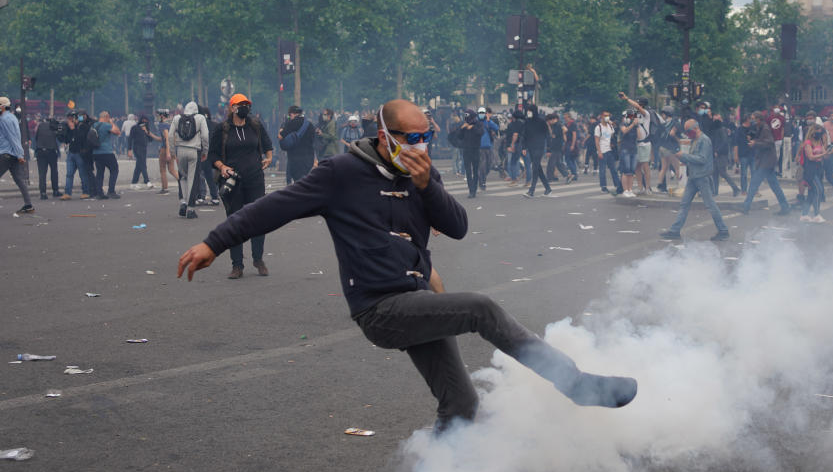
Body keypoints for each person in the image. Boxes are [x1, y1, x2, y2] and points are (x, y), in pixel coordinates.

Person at [176, 99, 637, 436]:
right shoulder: (339, 173)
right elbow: (273, 207)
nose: (419, 146)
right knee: (482, 309)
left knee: (460, 403)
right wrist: (214, 243)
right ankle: (576, 386)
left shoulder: (422, 175)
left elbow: (456, 226)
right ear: (384, 136)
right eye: (410, 138)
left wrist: (426, 185)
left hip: (417, 300)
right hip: (379, 308)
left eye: (426, 138)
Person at [208, 94, 273, 277]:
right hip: (233, 181)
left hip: (255, 179)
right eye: (240, 105)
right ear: (232, 108)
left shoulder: (256, 126)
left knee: (258, 220)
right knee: (235, 221)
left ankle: (258, 259)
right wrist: (222, 167)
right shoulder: (222, 129)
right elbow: (212, 155)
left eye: (246, 104)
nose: (244, 107)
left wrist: (268, 159)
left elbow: (268, 145)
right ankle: (237, 265)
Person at [660, 118, 729, 241]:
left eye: (688, 131)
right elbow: (692, 159)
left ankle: (723, 230)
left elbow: (702, 159)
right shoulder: (695, 140)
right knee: (684, 204)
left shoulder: (704, 140)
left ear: (696, 128)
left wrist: (684, 156)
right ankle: (675, 230)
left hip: (702, 177)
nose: (687, 134)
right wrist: (681, 157)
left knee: (710, 205)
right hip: (693, 176)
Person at [739, 111, 791, 216]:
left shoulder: (765, 128)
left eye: (753, 118)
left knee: (754, 184)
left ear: (758, 119)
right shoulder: (760, 128)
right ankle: (785, 206)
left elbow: (769, 142)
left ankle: (746, 206)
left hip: (766, 162)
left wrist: (755, 143)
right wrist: (754, 139)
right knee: (774, 186)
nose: (752, 120)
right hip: (766, 161)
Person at [173, 101, 210, 219]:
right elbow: (205, 136)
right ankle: (191, 209)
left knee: (182, 177)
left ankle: (183, 202)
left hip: (180, 150)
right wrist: (205, 151)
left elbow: (170, 136)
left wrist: (173, 153)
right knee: (192, 179)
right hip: (194, 151)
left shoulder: (176, 118)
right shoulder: (200, 118)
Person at [0, 96, 34, 213]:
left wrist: (20, 154)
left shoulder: (4, 119)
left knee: (19, 179)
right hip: (13, 153)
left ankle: (28, 204)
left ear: (2, 107)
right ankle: (28, 204)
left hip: (6, 153)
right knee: (19, 179)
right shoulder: (12, 117)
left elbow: (12, 138)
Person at [278, 105, 316, 185]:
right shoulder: (310, 124)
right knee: (306, 181)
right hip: (308, 158)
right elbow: (313, 142)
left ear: (292, 114)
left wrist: (282, 128)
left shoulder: (291, 123)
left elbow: (280, 136)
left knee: (298, 182)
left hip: (295, 158)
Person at [91, 110, 123, 199]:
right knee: (114, 169)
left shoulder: (94, 125)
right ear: (106, 117)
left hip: (96, 152)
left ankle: (99, 193)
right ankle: (111, 191)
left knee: (100, 172)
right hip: (106, 152)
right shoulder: (106, 125)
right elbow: (117, 132)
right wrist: (112, 122)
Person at [522, 103, 551, 198]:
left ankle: (531, 190)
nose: (528, 112)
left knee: (534, 167)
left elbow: (547, 135)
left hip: (539, 147)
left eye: (529, 111)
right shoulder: (527, 121)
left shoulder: (541, 122)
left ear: (534, 111)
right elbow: (524, 135)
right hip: (530, 147)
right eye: (527, 111)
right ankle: (547, 188)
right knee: (538, 168)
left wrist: (548, 149)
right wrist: (524, 147)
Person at [63, 112, 95, 199]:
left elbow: (80, 138)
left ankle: (86, 191)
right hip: (71, 152)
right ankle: (67, 193)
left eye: (73, 118)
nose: (72, 120)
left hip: (79, 153)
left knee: (82, 174)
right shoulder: (71, 128)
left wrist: (73, 129)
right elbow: (67, 139)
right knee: (69, 174)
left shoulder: (83, 126)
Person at [455, 109, 484, 197]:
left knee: (475, 171)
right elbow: (459, 136)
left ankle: (474, 190)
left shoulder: (478, 124)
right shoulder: (464, 124)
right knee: (468, 171)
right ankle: (470, 190)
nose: (468, 120)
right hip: (466, 150)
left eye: (469, 118)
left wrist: (473, 127)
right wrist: (462, 128)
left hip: (475, 150)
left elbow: (481, 132)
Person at [594, 109, 622, 195]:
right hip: (602, 150)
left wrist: (611, 123)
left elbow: (613, 135)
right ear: (601, 116)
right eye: (605, 115)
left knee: (613, 169)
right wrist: (599, 152)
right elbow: (596, 140)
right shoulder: (598, 127)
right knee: (602, 170)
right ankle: (603, 186)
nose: (607, 117)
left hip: (610, 151)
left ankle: (617, 185)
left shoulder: (610, 126)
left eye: (608, 115)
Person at [33, 114, 61, 199]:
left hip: (41, 151)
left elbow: (36, 137)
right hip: (51, 151)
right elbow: (58, 138)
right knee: (54, 171)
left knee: (42, 173)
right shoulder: (55, 126)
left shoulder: (41, 125)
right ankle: (55, 191)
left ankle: (43, 193)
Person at [129, 115, 157, 190]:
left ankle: (133, 183)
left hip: (144, 148)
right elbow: (130, 139)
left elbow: (150, 139)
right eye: (143, 120)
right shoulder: (134, 128)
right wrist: (129, 149)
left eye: (146, 121)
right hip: (137, 148)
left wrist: (146, 131)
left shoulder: (146, 128)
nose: (145, 122)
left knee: (139, 166)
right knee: (143, 165)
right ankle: (147, 181)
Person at [155, 109, 175, 194]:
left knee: (162, 169)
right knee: (172, 170)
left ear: (162, 116)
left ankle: (164, 187)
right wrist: (150, 134)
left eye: (159, 115)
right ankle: (182, 183)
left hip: (165, 149)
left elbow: (166, 138)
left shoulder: (162, 125)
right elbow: (163, 138)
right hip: (171, 147)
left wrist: (167, 152)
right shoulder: (170, 124)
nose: (158, 116)